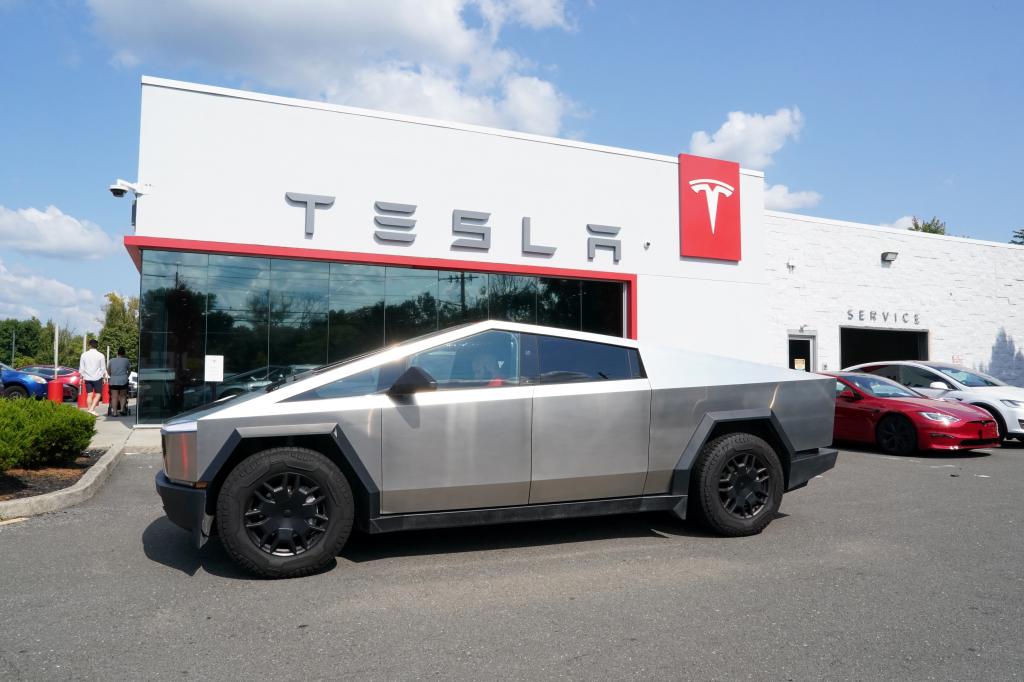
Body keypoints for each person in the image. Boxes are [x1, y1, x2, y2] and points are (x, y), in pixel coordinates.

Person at [78, 339, 106, 415]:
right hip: (97, 377)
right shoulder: (101, 355)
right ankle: (92, 409)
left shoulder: (84, 355)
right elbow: (103, 368)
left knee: (89, 395)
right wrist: (104, 377)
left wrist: (81, 377)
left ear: (89, 345)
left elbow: (81, 367)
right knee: (98, 394)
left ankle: (90, 410)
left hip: (87, 377)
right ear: (97, 346)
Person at [107, 347, 131, 417]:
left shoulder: (111, 360)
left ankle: (114, 412)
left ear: (117, 353)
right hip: (123, 379)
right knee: (123, 396)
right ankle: (122, 410)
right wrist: (126, 376)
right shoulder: (126, 360)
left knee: (114, 397)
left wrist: (112, 375)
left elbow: (108, 371)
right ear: (124, 353)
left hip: (113, 380)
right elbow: (129, 370)